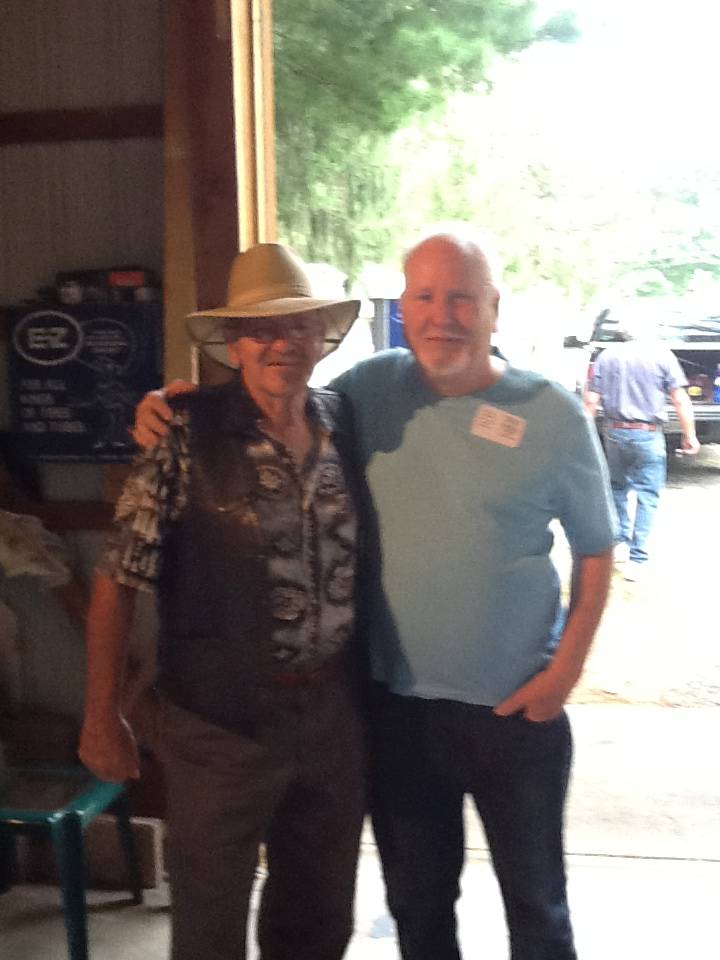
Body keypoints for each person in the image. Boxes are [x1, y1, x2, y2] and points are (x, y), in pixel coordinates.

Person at [134, 228, 616, 960]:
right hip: (396, 715)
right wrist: (173, 404)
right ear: (403, 306)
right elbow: (267, 400)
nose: (442, 316)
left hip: (517, 713)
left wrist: (564, 673)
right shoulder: (367, 392)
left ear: (494, 307)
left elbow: (596, 550)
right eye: (424, 297)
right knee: (419, 909)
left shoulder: (552, 413)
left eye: (461, 298)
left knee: (538, 909)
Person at [79, 243, 367, 960]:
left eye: (296, 325)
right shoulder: (181, 432)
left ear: (318, 337)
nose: (280, 343)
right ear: (233, 345)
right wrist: (101, 717)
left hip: (332, 718)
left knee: (318, 922)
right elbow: (117, 579)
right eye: (260, 329)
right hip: (216, 728)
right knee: (208, 930)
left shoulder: (347, 424)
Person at [583, 312, 699, 581]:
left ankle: (620, 543)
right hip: (648, 434)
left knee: (616, 488)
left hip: (614, 432)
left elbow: (590, 401)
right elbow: (680, 399)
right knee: (648, 494)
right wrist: (689, 435)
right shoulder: (662, 356)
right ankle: (638, 558)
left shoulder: (606, 356)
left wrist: (584, 436)